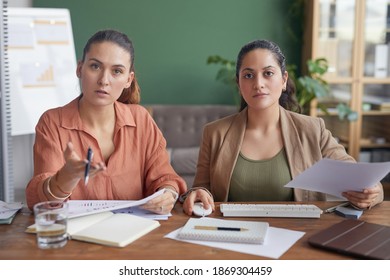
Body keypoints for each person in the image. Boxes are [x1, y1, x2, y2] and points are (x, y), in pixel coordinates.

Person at [182, 39, 384, 215]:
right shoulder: (214, 132)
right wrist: (198, 195)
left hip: (297, 236)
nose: (258, 84)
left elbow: (363, 180)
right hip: (232, 233)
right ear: (238, 83)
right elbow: (201, 189)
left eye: (268, 73)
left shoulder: (313, 129)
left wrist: (371, 193)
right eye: (249, 75)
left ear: (284, 80)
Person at [26, 29, 186, 213]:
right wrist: (65, 178)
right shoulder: (52, 122)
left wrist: (168, 193)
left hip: (136, 234)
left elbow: (165, 177)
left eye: (117, 71)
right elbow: (38, 202)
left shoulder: (141, 119)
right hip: (77, 237)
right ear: (80, 69)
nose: (104, 80)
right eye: (95, 66)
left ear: (128, 79)